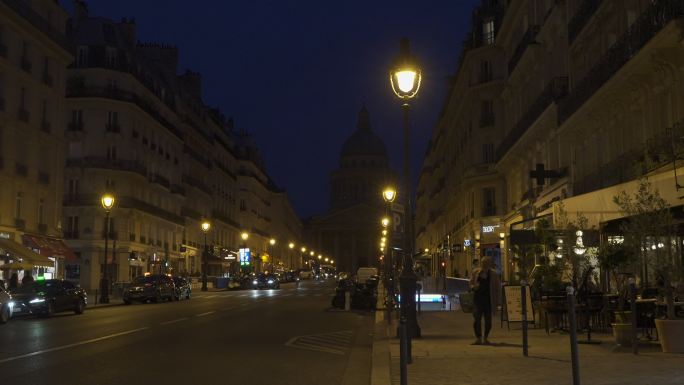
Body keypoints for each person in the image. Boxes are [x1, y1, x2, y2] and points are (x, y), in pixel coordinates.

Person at [469, 257, 501, 345]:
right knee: (477, 319)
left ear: (489, 264)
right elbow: (471, 282)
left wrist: (498, 301)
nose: (484, 265)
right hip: (478, 299)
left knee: (488, 321)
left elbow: (498, 288)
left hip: (488, 301)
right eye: (483, 263)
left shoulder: (494, 274)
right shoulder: (476, 272)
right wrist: (473, 287)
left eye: (486, 263)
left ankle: (485, 337)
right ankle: (479, 337)